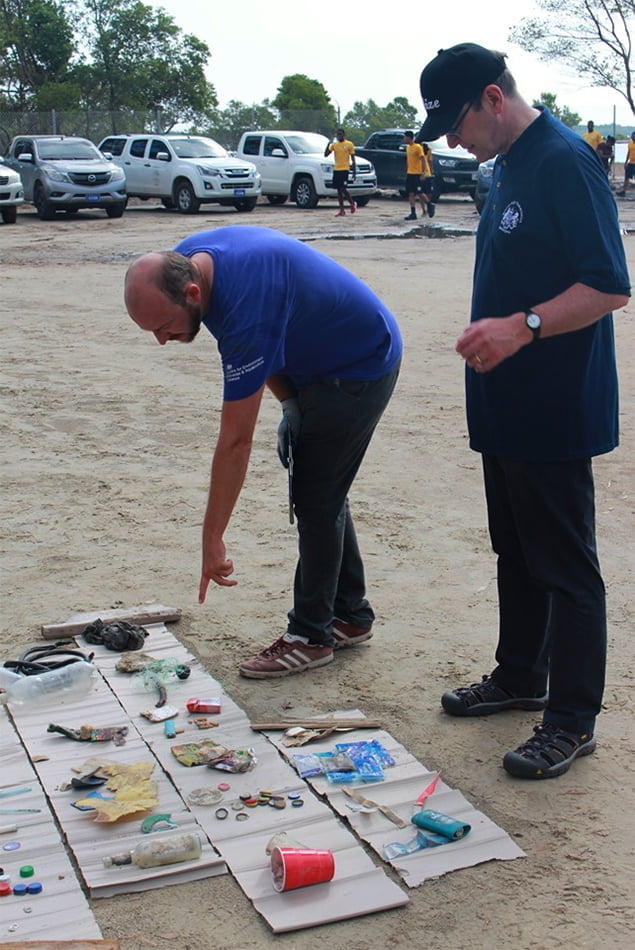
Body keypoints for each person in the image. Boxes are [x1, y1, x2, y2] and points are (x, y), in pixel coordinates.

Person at [416, 43, 630, 779]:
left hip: (554, 403)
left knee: (565, 567)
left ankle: (570, 719)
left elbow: (608, 286)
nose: (449, 140)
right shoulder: (506, 162)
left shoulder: (563, 159)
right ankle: (519, 676)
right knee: (515, 550)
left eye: (455, 121)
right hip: (504, 400)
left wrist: (523, 326)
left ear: (492, 97)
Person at [124, 226, 402, 679]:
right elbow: (269, 339)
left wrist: (212, 539)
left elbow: (235, 441)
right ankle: (350, 614)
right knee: (322, 486)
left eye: (163, 327)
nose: (161, 340)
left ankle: (311, 636)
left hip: (359, 364)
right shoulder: (188, 266)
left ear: (192, 292)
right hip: (319, 355)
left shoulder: (241, 306)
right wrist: (291, 403)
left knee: (316, 495)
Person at [403, 131, 435, 219]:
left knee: (420, 192)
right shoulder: (408, 148)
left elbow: (423, 160)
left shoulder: (418, 147)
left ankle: (429, 204)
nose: (404, 139)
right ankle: (413, 213)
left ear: (409, 137)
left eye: (405, 137)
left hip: (417, 173)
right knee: (411, 193)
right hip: (410, 173)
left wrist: (423, 172)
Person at [324, 128, 357, 215]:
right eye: (338, 134)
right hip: (337, 169)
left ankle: (352, 203)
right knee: (338, 190)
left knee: (343, 188)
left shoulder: (349, 144)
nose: (339, 136)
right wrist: (328, 145)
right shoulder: (335, 145)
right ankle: (342, 210)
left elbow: (353, 158)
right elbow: (326, 154)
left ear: (344, 135)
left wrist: (354, 171)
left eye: (341, 134)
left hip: (345, 169)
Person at [617, 130, 635, 196]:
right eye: (632, 136)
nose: (633, 137)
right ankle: (623, 191)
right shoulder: (630, 144)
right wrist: (626, 162)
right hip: (631, 163)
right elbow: (628, 153)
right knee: (626, 177)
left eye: (634, 136)